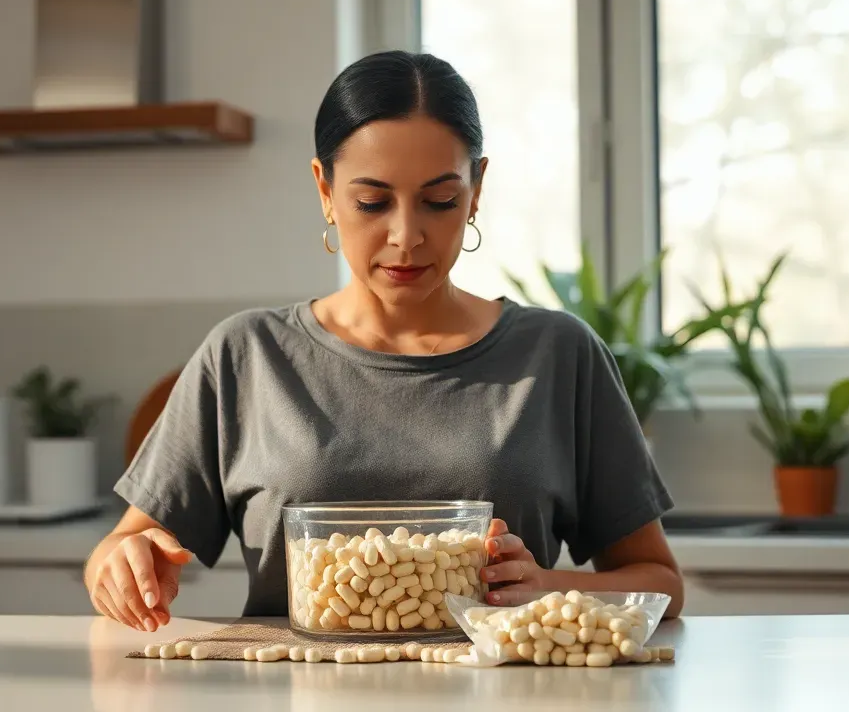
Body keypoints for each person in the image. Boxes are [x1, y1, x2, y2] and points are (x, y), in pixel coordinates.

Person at [83, 50, 683, 633]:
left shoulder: (558, 354)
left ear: (476, 189)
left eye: (440, 201)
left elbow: (659, 582)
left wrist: (544, 586)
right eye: (371, 202)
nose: (406, 236)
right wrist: (123, 566)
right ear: (324, 190)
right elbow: (123, 544)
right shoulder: (247, 355)